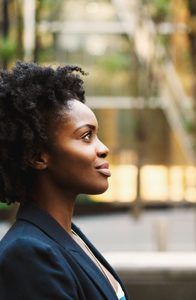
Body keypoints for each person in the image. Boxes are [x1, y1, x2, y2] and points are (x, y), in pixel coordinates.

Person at [0, 61, 128, 300]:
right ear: (38, 156)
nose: (104, 149)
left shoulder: (68, 236)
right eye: (86, 136)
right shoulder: (28, 253)